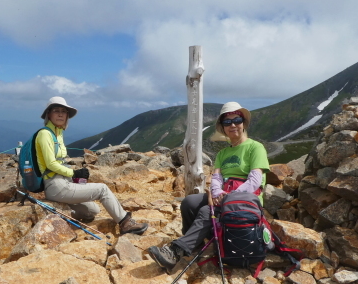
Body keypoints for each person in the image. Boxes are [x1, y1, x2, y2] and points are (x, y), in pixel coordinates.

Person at [148, 102, 270, 271]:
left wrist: (228, 197)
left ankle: (177, 251)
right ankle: (194, 242)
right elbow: (217, 178)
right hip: (225, 195)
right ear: (223, 127)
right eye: (227, 122)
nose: (233, 125)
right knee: (190, 202)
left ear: (243, 123)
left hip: (245, 200)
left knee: (207, 212)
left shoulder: (255, 148)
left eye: (237, 120)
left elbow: (255, 181)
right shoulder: (222, 153)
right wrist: (218, 192)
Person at [36, 96, 148, 235]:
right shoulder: (45, 134)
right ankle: (125, 223)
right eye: (56, 110)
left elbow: (59, 162)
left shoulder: (57, 134)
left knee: (93, 211)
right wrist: (74, 173)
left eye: (64, 111)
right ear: (49, 114)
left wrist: (74, 175)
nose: (60, 114)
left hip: (64, 183)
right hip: (56, 185)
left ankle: (62, 213)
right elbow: (50, 164)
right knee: (102, 189)